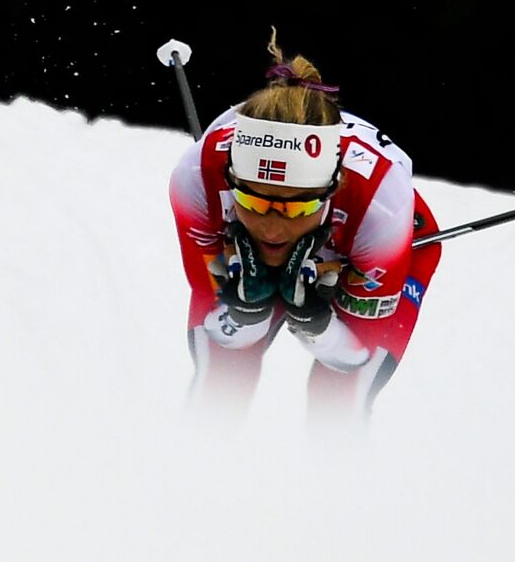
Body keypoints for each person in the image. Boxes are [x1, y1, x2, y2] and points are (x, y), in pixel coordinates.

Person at [169, 31, 443, 420]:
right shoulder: (197, 177)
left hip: (365, 246)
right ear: (231, 181)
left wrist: (316, 324)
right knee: (223, 373)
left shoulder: (380, 209)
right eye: (253, 202)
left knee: (337, 401)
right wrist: (248, 311)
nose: (272, 230)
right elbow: (225, 334)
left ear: (332, 190)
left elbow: (354, 356)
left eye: (297, 208)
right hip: (317, 237)